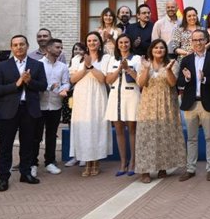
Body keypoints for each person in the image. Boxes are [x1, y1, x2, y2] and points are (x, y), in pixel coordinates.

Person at [0, 35, 48, 192]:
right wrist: (16, 84)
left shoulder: (37, 65)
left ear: (27, 46)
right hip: (8, 111)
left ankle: (26, 173)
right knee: (5, 146)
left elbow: (43, 85)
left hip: (29, 109)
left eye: (22, 44)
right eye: (15, 45)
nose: (19, 47)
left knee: (28, 144)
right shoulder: (2, 66)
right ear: (11, 48)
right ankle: (3, 177)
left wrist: (29, 81)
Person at [135, 39, 186, 183]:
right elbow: (141, 83)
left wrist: (168, 70)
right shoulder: (144, 64)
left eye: (162, 48)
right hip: (148, 105)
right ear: (151, 49)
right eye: (156, 47)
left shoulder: (173, 64)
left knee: (165, 134)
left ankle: (163, 167)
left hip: (167, 103)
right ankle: (144, 171)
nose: (159, 50)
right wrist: (145, 69)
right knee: (146, 135)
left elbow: (172, 83)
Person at [177, 30, 210, 182]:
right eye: (195, 40)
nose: (197, 43)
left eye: (200, 40)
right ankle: (190, 169)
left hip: (207, 103)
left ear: (205, 41)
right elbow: (180, 82)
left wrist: (204, 80)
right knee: (191, 139)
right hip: (190, 103)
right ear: (191, 41)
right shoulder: (186, 60)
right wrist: (187, 79)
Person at [69, 32, 112, 177]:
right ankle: (86, 162)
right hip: (82, 95)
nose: (92, 43)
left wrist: (91, 66)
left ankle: (96, 162)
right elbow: (73, 79)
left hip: (97, 95)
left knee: (96, 127)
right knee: (84, 128)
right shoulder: (77, 59)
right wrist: (84, 67)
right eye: (89, 40)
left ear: (99, 43)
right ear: (86, 43)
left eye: (95, 40)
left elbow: (103, 79)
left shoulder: (106, 58)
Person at [103, 34, 141, 176]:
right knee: (119, 130)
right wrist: (119, 68)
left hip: (131, 96)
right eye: (121, 43)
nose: (124, 45)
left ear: (130, 44)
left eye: (126, 42)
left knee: (132, 129)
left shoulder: (137, 59)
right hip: (115, 96)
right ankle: (123, 162)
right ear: (117, 45)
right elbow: (108, 80)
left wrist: (128, 69)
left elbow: (140, 80)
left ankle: (133, 162)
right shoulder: (112, 59)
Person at [33, 38, 70, 176]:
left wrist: (64, 89)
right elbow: (34, 84)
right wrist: (50, 87)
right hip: (40, 105)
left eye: (61, 47)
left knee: (51, 135)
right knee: (36, 136)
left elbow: (66, 82)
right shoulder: (38, 64)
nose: (60, 50)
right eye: (57, 47)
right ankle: (33, 163)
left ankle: (50, 162)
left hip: (55, 105)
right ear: (48, 49)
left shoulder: (63, 66)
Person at [62, 42, 87, 166]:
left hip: (83, 95)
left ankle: (84, 155)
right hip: (71, 97)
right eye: (75, 49)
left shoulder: (86, 64)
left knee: (83, 125)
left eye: (80, 49)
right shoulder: (70, 64)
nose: (78, 51)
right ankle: (75, 155)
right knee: (72, 125)